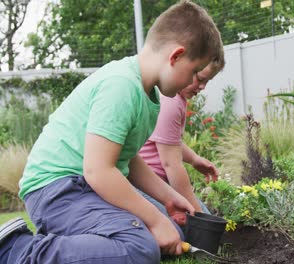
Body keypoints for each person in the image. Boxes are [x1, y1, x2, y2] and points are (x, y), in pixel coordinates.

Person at [0, 1, 223, 264]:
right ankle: (16, 249)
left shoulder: (147, 94)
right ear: (175, 56)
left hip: (83, 187)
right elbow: (99, 171)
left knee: (171, 230)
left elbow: (127, 159)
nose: (194, 83)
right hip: (57, 190)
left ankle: (74, 240)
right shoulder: (121, 86)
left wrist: (168, 197)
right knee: (140, 247)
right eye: (196, 72)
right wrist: (153, 219)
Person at [138, 55, 225, 216]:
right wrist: (198, 217)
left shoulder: (176, 99)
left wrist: (194, 159)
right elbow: (171, 165)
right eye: (199, 79)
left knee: (202, 213)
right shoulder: (170, 102)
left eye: (207, 82)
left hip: (158, 182)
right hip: (147, 185)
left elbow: (170, 142)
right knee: (186, 224)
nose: (202, 87)